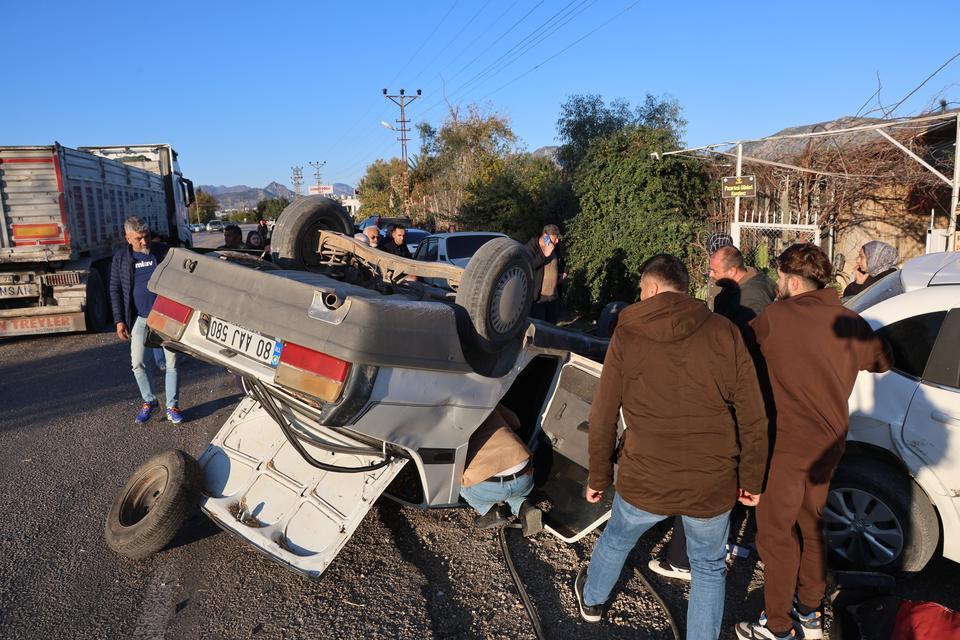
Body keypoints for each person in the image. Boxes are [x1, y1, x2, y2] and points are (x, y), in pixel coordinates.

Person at [575, 254, 768, 640]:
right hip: (711, 482)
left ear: (651, 289)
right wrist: (752, 479)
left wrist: (599, 474)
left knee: (616, 537)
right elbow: (753, 416)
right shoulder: (725, 332)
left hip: (645, 476)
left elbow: (603, 416)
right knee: (709, 567)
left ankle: (593, 600)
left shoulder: (627, 336)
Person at [735, 244, 892, 640]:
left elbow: (739, 353)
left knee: (774, 534)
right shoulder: (851, 321)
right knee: (812, 525)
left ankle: (778, 626)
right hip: (830, 442)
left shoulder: (777, 317)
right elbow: (882, 362)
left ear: (789, 279)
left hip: (786, 444)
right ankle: (808, 609)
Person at [649, 245, 777, 582]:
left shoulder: (749, 303)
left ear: (732, 272)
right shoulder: (754, 284)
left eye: (713, 270)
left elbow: (738, 350)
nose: (709, 274)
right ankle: (714, 541)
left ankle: (686, 555)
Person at [109, 216, 183, 424]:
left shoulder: (163, 252)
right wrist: (120, 320)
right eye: (139, 238)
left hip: (166, 318)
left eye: (147, 236)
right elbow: (115, 290)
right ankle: (150, 402)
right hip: (141, 319)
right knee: (138, 363)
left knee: (172, 362)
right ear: (128, 238)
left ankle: (173, 406)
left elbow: (182, 276)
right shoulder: (122, 259)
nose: (144, 242)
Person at [459, 403, 542, 537]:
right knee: (514, 494)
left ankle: (490, 511)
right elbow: (515, 422)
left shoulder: (449, 417)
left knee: (459, 484)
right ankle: (525, 507)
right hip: (524, 473)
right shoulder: (487, 401)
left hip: (489, 485)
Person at [526, 224, 565, 323]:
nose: (557, 241)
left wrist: (564, 273)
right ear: (545, 235)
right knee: (539, 328)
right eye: (555, 238)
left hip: (553, 296)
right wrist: (544, 255)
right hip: (538, 298)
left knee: (552, 328)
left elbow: (562, 262)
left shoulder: (556, 247)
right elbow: (528, 266)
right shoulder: (532, 247)